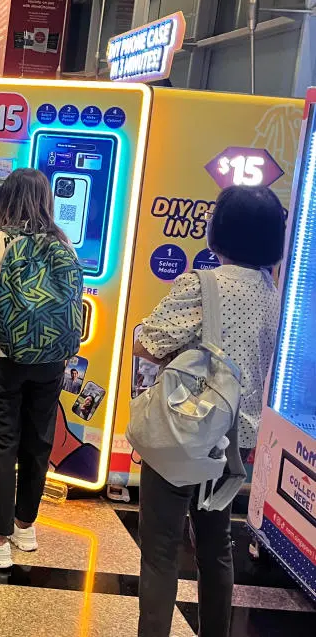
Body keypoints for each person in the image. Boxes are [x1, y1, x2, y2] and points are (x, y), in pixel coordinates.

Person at [132, 185, 285, 637]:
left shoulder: (203, 284)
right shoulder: (273, 293)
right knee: (216, 547)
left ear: (219, 229)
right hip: (235, 441)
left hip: (186, 431)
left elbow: (149, 341)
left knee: (160, 550)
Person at [0, 168, 76, 569]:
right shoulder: (64, 244)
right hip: (50, 360)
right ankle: (25, 527)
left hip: (1, 356)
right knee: (39, 441)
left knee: (3, 445)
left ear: (4, 199)